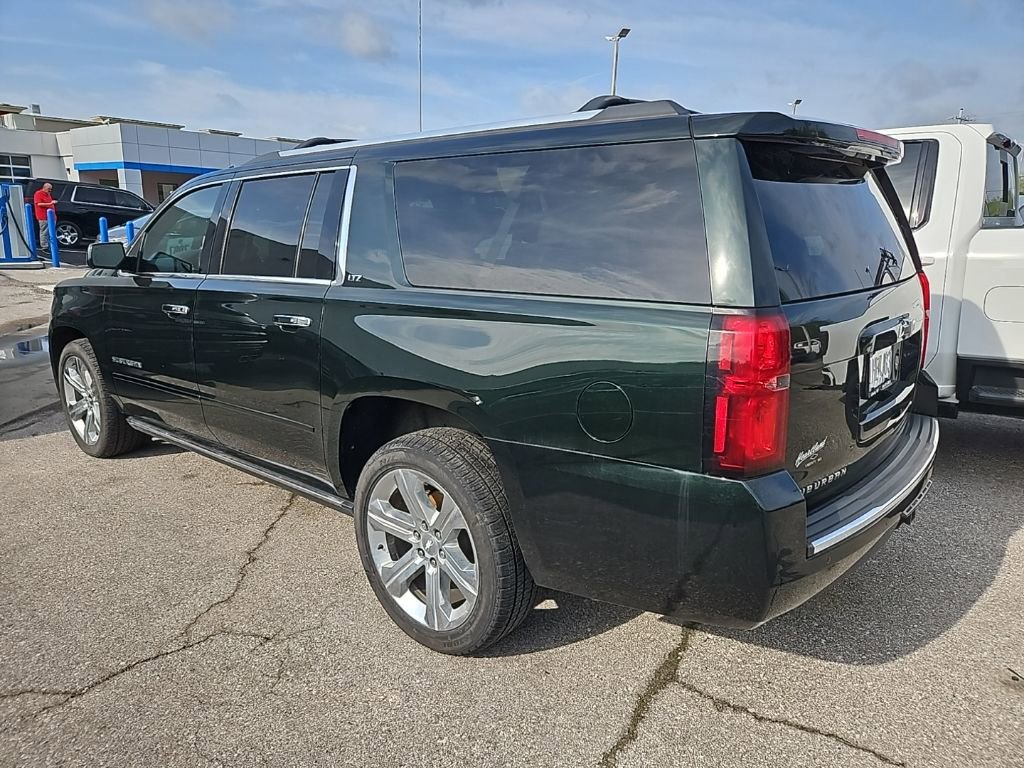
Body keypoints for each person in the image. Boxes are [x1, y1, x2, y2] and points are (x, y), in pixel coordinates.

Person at [33, 183, 57, 255]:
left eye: (51, 189)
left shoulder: (48, 195)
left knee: (51, 232)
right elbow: (39, 204)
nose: (50, 190)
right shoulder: (38, 193)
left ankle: (51, 246)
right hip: (43, 216)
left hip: (52, 216)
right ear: (44, 187)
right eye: (48, 189)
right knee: (44, 232)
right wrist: (50, 203)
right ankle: (44, 246)